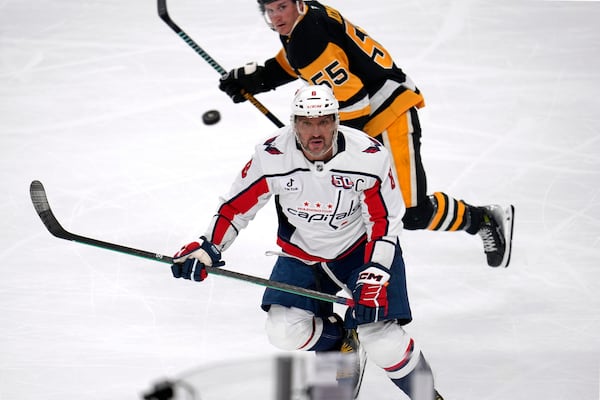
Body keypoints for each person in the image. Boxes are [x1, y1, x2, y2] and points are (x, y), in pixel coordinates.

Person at [171, 85, 444, 399]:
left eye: (324, 121)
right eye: (306, 122)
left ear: (336, 122)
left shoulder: (369, 156)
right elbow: (235, 207)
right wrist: (209, 247)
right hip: (303, 255)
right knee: (283, 330)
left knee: (380, 338)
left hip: (361, 252)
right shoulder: (271, 155)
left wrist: (376, 273)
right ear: (293, 123)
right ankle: (340, 345)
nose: (317, 131)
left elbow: (384, 223)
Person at [218, 0, 515, 268]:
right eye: (269, 11)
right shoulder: (306, 17)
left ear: (296, 3)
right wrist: (258, 79)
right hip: (376, 107)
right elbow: (294, 61)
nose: (276, 17)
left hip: (390, 113)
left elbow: (354, 101)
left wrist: (331, 149)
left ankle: (483, 219)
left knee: (411, 212)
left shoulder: (308, 39)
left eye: (281, 7)